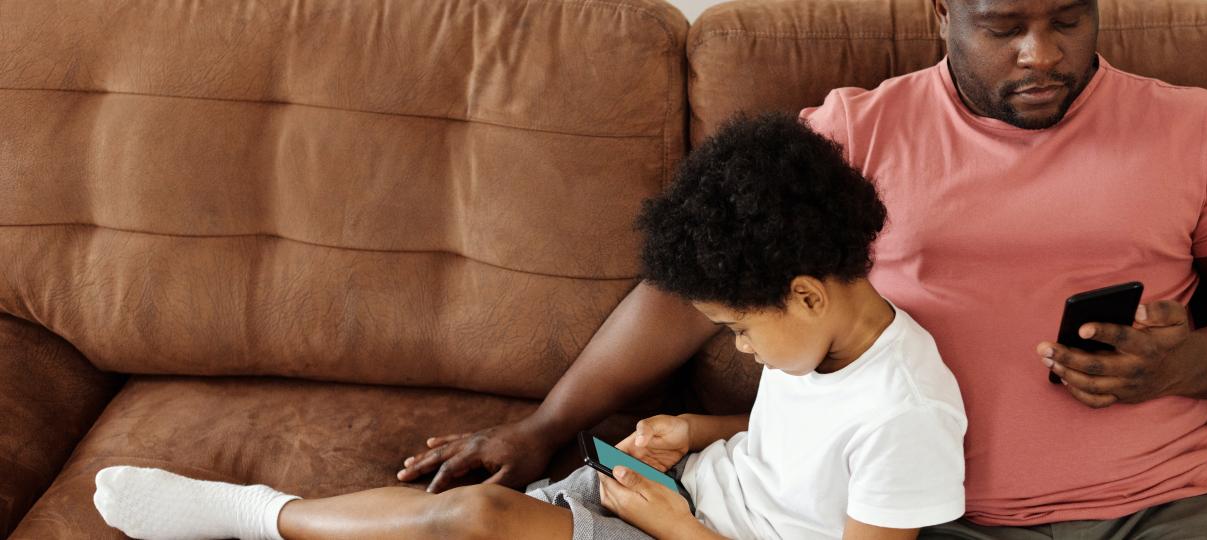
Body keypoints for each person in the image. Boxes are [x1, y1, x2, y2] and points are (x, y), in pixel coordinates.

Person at [398, 0, 1207, 537]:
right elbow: (697, 286)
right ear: (939, 11)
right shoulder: (859, 130)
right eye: (1004, 25)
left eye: (1069, 18)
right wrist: (546, 424)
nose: (1042, 53)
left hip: (1157, 511)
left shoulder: (1192, 124)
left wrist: (1186, 361)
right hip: (923, 519)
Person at [93, 114, 969, 540]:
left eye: (734, 329)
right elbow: (809, 440)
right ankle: (247, 514)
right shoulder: (816, 334)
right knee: (475, 515)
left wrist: (678, 528)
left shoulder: (909, 415)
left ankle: (249, 517)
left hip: (687, 531)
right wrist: (695, 428)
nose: (736, 349)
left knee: (476, 521)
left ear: (807, 295)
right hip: (673, 497)